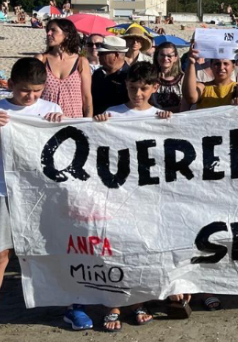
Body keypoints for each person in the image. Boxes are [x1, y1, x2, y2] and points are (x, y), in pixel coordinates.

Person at [0, 58, 67, 342]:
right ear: (11, 85)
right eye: (24, 90)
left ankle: (74, 305)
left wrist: (58, 127)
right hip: (3, 190)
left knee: (55, 249)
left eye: (37, 91)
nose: (31, 96)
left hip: (43, 191)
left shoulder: (52, 109)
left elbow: (66, 155)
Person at [90, 61, 171, 330]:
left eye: (144, 89)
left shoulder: (162, 116)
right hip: (116, 194)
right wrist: (99, 124)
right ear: (126, 85)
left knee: (140, 249)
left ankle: (136, 302)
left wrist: (169, 125)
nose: (138, 94)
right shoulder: (112, 114)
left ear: (154, 87)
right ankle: (112, 303)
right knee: (115, 248)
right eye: (133, 88)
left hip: (147, 196)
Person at [37, 19, 92, 118]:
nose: (49, 33)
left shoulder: (81, 62)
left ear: (66, 35)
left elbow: (86, 97)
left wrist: (88, 123)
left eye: (53, 30)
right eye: (48, 30)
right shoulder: (41, 60)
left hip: (73, 121)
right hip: (46, 121)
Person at [183, 45, 238, 109]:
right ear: (211, 66)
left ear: (233, 67)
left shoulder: (237, 89)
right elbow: (190, 97)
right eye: (217, 64)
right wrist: (191, 63)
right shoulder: (203, 88)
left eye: (226, 64)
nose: (221, 67)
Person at [91, 36, 131, 114]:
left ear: (116, 55)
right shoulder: (98, 74)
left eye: (102, 53)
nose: (98, 55)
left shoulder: (130, 76)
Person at [151, 42, 185, 113]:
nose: (165, 58)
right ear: (157, 56)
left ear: (175, 58)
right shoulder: (150, 77)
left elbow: (186, 104)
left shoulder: (183, 78)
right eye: (162, 55)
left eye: (169, 56)